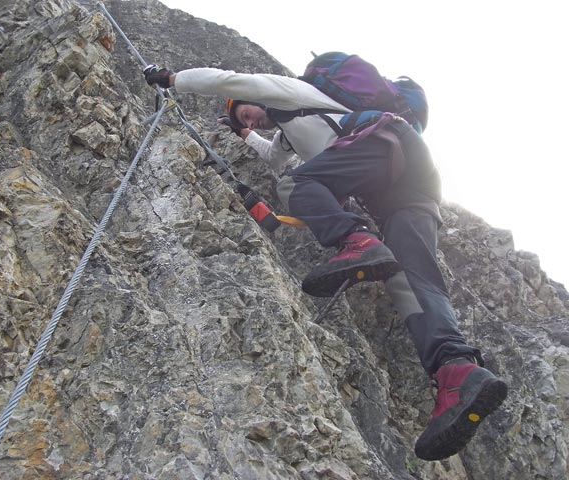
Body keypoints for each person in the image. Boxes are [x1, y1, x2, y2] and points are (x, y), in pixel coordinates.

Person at [143, 62, 508, 461]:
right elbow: (274, 158)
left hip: (384, 144)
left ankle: (355, 240)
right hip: (410, 182)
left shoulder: (291, 92)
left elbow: (230, 82)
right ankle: (456, 372)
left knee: (301, 185)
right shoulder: (288, 134)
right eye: (246, 119)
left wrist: (174, 79)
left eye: (247, 111)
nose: (252, 118)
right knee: (414, 283)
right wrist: (245, 134)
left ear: (256, 97)